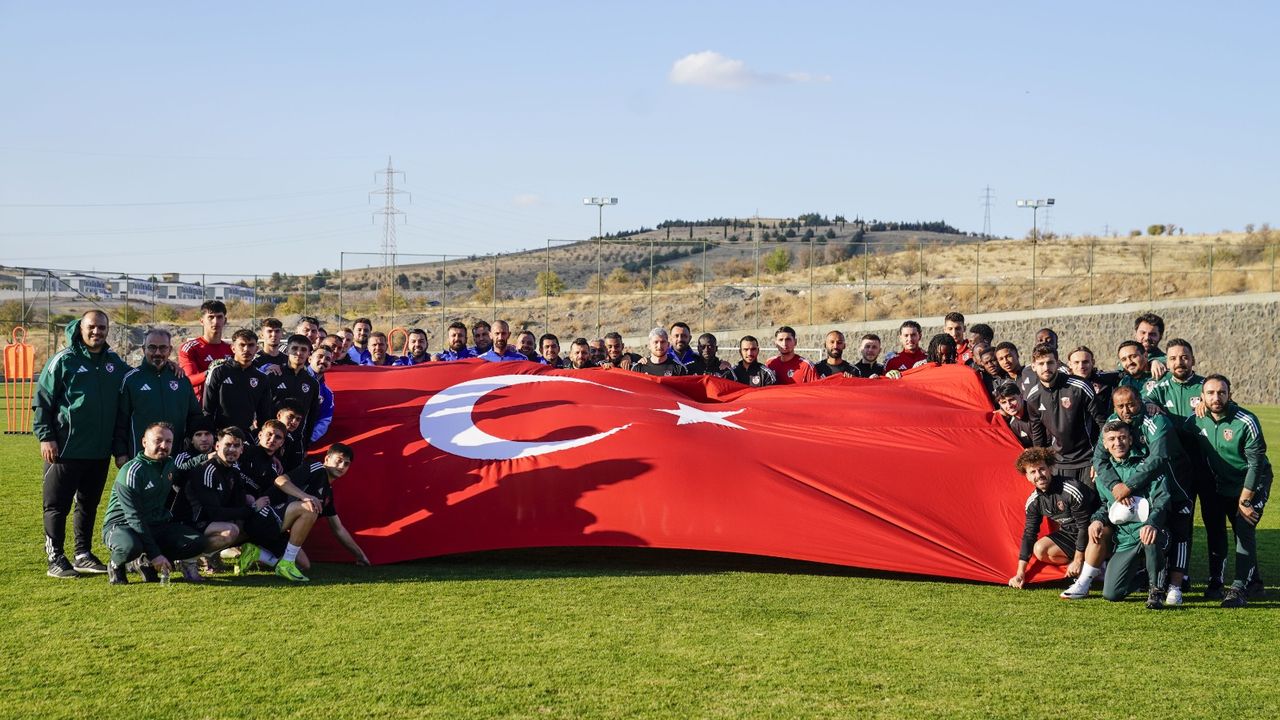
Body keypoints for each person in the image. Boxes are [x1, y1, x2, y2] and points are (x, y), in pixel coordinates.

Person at [33, 310, 130, 578]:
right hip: (64, 448)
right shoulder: (63, 360)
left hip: (98, 450)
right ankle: (55, 558)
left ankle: (83, 554)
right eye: (92, 327)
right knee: (56, 505)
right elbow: (42, 400)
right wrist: (46, 436)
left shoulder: (113, 362)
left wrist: (168, 366)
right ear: (81, 328)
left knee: (88, 504)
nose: (96, 332)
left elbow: (135, 378)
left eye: (101, 327)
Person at [1095, 386, 1194, 605]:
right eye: (1120, 406)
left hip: (1175, 482)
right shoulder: (1114, 423)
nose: (1126, 410)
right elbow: (1099, 459)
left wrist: (1127, 485)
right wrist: (1114, 484)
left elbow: (1157, 459)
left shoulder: (1156, 420)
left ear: (1140, 401)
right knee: (1111, 593)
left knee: (1178, 532)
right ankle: (1154, 574)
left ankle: (1174, 585)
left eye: (1130, 404)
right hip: (1140, 482)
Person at [1179, 375, 1272, 606]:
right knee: (1215, 529)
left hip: (1252, 481)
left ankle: (1240, 587)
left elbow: (1256, 463)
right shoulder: (1195, 420)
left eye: (1221, 392)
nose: (1216, 397)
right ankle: (1219, 582)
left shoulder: (1246, 420)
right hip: (1220, 483)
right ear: (1201, 397)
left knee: (1244, 525)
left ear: (1230, 395)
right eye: (1210, 393)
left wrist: (1246, 499)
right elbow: (1177, 442)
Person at [239, 443, 370, 582]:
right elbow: (280, 480)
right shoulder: (317, 468)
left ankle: (256, 553)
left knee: (304, 564)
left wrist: (360, 555)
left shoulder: (327, 494)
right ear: (327, 459)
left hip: (277, 529)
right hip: (263, 518)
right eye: (339, 460)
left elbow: (338, 529)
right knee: (310, 507)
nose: (342, 466)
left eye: (346, 464)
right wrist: (304, 496)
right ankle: (286, 564)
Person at [101, 422, 208, 585]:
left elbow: (183, 469)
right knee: (130, 547)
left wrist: (207, 457)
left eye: (168, 441)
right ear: (144, 442)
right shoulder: (132, 471)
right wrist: (155, 554)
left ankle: (145, 562)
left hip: (155, 523)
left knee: (197, 541)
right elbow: (134, 517)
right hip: (123, 525)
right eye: (158, 440)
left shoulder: (169, 464)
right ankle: (116, 565)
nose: (164, 445)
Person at [1084, 420, 1172, 608]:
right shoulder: (1103, 476)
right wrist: (1097, 520)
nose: (1118, 443)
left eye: (1122, 437)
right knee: (1112, 594)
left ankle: (1156, 590)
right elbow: (1105, 506)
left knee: (1149, 537)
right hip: (1125, 539)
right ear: (1105, 445)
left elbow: (1162, 500)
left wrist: (1152, 523)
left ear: (1131, 440)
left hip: (1153, 532)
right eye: (1112, 439)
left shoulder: (1147, 466)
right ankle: (1151, 573)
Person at [113, 328, 202, 468]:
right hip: (140, 458)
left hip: (176, 459)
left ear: (170, 349)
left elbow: (194, 416)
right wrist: (120, 452)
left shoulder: (181, 379)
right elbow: (121, 420)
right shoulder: (131, 380)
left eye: (163, 348)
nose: (158, 353)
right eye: (152, 348)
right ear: (143, 349)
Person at [1008, 447, 1093, 590]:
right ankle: (1086, 564)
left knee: (1096, 532)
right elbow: (1029, 534)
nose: (1039, 475)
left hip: (1093, 533)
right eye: (1033, 472)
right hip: (1070, 534)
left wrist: (1078, 560)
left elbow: (1084, 526)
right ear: (1027, 476)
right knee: (1040, 549)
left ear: (1050, 469)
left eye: (1042, 469)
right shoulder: (1034, 502)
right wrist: (1020, 573)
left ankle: (1095, 562)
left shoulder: (1070, 489)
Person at [1026, 344, 1109, 491]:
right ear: (1033, 366)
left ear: (1057, 364)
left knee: (1090, 505)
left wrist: (1099, 459)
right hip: (1059, 463)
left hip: (1087, 460)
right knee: (1066, 509)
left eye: (1050, 362)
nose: (1046, 367)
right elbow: (1038, 439)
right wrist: (1043, 465)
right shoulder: (1033, 397)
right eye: (1041, 364)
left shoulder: (1079, 386)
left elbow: (1103, 423)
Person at [202, 329, 273, 440]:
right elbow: (207, 409)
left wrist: (258, 436)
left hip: (245, 435)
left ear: (256, 349)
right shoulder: (219, 371)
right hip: (219, 434)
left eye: (251, 345)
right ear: (233, 348)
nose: (246, 349)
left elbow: (264, 414)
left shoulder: (262, 378)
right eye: (242, 345)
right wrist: (210, 434)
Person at [269, 334, 321, 448]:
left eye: (303, 350)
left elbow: (311, 417)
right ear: (287, 351)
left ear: (309, 354)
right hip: (271, 439)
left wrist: (306, 444)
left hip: (295, 442)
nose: (299, 353)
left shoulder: (312, 383)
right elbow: (261, 408)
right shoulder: (273, 376)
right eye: (295, 348)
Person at [178, 300, 232, 404]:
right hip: (200, 409)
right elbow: (189, 380)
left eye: (219, 317)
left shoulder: (231, 349)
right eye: (211, 317)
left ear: (225, 320)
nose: (215, 321)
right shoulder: (190, 348)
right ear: (201, 321)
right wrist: (212, 372)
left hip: (225, 410)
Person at [1143, 338, 1204, 419]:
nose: (1179, 362)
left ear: (1193, 361)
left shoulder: (1206, 386)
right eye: (1173, 358)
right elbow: (1144, 401)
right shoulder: (1160, 388)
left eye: (1184, 357)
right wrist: (1149, 404)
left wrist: (1210, 404)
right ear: (1167, 364)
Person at [1065, 345, 1120, 413]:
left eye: (1085, 362)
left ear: (1093, 362)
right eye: (1076, 362)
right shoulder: (1063, 386)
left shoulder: (1106, 381)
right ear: (1070, 364)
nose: (1081, 366)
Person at [308, 346, 335, 444]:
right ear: (310, 358)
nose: (323, 360)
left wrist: (307, 440)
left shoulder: (327, 393)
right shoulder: (293, 378)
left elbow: (324, 421)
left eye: (327, 359)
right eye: (319, 356)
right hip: (277, 436)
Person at [994, 383, 1034, 448]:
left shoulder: (1038, 413)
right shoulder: (1013, 425)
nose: (1009, 405)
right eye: (1004, 402)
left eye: (1012, 400)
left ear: (1021, 396)